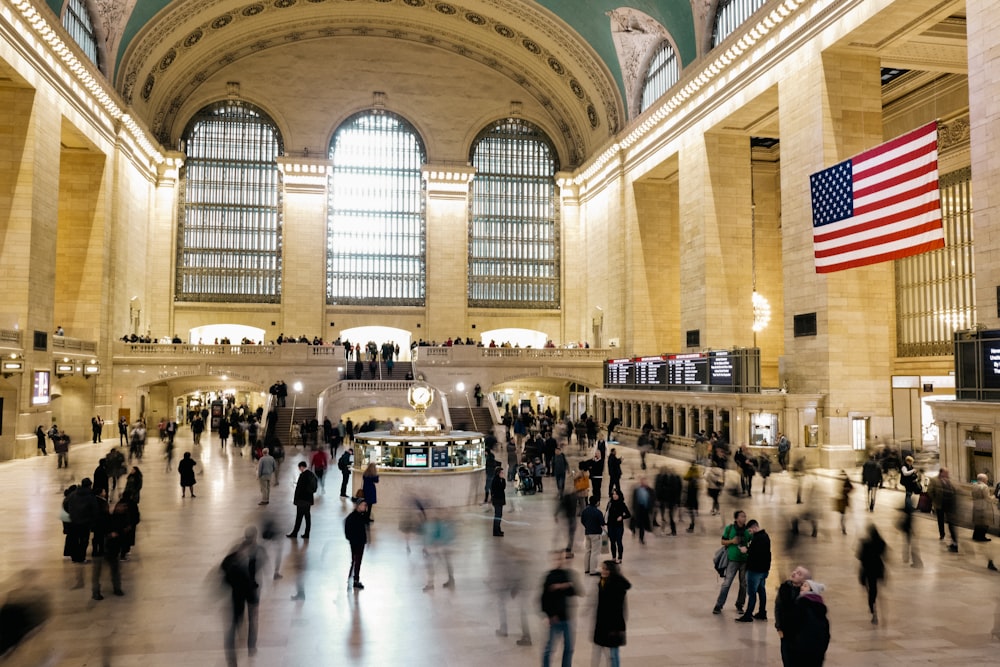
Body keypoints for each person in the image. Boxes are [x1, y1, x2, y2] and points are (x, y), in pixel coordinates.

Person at [221, 527, 268, 664]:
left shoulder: (237, 551)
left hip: (240, 592)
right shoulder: (256, 551)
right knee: (251, 619)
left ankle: (246, 648)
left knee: (239, 621)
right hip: (249, 591)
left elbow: (224, 567)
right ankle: (251, 646)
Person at [541, 550, 578, 667]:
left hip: (566, 617)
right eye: (557, 559)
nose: (560, 562)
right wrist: (550, 615)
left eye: (561, 559)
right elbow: (544, 598)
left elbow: (573, 591)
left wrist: (562, 586)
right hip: (555, 618)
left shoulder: (566, 574)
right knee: (549, 648)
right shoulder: (550, 577)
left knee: (569, 648)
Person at [592, 560, 631, 667]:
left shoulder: (616, 585)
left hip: (614, 625)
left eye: (605, 569)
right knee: (608, 652)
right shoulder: (603, 582)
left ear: (611, 571)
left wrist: (615, 628)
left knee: (613, 653)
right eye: (602, 568)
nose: (602, 571)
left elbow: (617, 609)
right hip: (604, 624)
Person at [713, 510, 750, 615]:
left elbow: (752, 541)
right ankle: (719, 604)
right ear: (737, 518)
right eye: (742, 516)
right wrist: (732, 541)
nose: (744, 518)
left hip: (744, 561)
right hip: (732, 560)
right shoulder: (730, 529)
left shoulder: (747, 530)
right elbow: (722, 541)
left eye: (745, 516)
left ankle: (740, 604)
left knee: (744, 584)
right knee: (727, 583)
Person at [774, 564, 811, 667]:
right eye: (795, 571)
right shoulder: (785, 588)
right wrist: (779, 627)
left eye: (799, 574)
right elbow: (778, 608)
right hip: (786, 631)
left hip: (800, 633)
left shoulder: (806, 594)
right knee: (787, 659)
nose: (794, 573)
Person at [736, 519, 770, 622]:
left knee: (752, 593)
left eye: (750, 531)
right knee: (761, 591)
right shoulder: (766, 536)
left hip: (755, 570)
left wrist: (746, 550)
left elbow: (755, 553)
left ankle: (748, 614)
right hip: (763, 570)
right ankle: (762, 612)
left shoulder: (758, 538)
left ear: (755, 527)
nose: (750, 533)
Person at [794, 580, 830, 666]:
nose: (802, 587)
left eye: (805, 586)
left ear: (812, 590)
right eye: (802, 585)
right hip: (818, 650)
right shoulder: (820, 607)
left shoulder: (802, 605)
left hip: (804, 649)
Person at [857, 524, 886, 624]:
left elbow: (860, 557)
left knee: (871, 591)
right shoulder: (881, 542)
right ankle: (873, 606)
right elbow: (884, 555)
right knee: (874, 589)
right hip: (878, 569)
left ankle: (873, 608)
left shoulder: (865, 543)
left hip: (868, 570)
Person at [928, 468, 958, 550]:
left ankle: (952, 538)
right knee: (940, 519)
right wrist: (935, 500)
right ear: (941, 473)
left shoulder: (949, 480)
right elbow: (930, 491)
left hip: (949, 504)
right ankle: (942, 533)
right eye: (946, 473)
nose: (948, 474)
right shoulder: (934, 480)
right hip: (940, 503)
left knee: (950, 521)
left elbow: (954, 490)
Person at [286, 461, 318, 539]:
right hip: (308, 500)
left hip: (302, 500)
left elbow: (300, 489)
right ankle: (307, 533)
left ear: (301, 467)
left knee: (299, 517)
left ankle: (295, 533)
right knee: (307, 517)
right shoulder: (311, 474)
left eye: (299, 468)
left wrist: (296, 499)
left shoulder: (303, 475)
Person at [345, 498, 369, 589]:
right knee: (357, 561)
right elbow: (348, 529)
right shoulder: (353, 517)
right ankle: (355, 580)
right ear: (358, 506)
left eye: (365, 505)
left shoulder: (361, 516)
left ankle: (351, 577)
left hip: (360, 542)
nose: (365, 507)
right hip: (356, 543)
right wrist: (352, 539)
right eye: (363, 505)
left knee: (355, 561)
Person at [604, 488, 631, 564]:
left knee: (619, 541)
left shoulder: (622, 504)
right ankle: (613, 557)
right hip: (610, 525)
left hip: (619, 526)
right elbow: (606, 513)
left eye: (616, 494)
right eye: (613, 494)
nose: (614, 496)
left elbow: (628, 514)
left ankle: (620, 557)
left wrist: (622, 517)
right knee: (612, 542)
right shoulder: (610, 503)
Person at [581, 496, 605, 575]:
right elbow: (602, 523)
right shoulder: (598, 512)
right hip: (596, 533)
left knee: (588, 551)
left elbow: (582, 521)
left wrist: (587, 526)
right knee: (594, 552)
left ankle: (586, 569)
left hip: (587, 533)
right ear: (597, 502)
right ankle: (593, 570)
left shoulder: (585, 511)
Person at [684, 463, 701, 532]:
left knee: (691, 514)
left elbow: (685, 477)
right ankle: (692, 526)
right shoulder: (695, 481)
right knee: (692, 514)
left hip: (691, 500)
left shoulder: (692, 482)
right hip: (693, 501)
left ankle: (692, 527)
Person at [491, 466, 507, 536]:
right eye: (501, 473)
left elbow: (503, 487)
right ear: (498, 473)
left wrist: (503, 480)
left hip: (500, 499)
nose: (503, 474)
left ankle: (498, 529)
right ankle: (495, 531)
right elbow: (495, 490)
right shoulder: (495, 480)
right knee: (497, 515)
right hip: (497, 500)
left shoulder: (502, 480)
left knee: (499, 515)